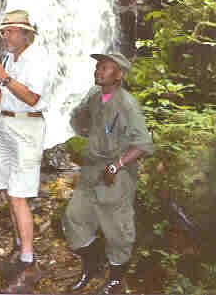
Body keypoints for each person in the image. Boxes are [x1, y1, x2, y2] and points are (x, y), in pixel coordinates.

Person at [63, 52, 154, 294]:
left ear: (119, 75)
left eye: (105, 68)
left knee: (117, 228)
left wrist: (117, 164)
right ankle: (93, 263)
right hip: (92, 169)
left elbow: (144, 144)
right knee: (74, 218)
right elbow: (83, 124)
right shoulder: (94, 97)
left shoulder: (127, 104)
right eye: (98, 67)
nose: (98, 71)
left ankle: (116, 280)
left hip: (117, 172)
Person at [0, 10, 51, 293]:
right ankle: (20, 246)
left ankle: (28, 262)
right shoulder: (10, 58)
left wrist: (4, 77)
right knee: (9, 190)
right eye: (4, 31)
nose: (5, 35)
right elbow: (3, 101)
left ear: (25, 33)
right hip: (6, 125)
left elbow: (33, 98)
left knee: (19, 194)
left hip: (27, 130)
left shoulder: (39, 59)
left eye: (10, 31)